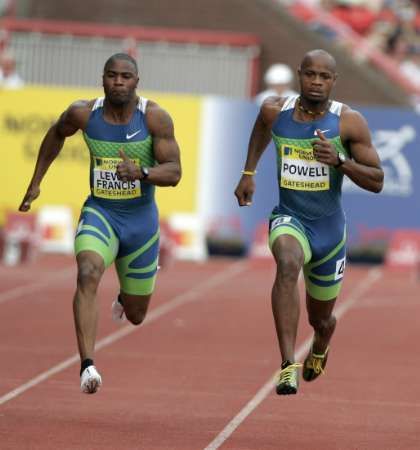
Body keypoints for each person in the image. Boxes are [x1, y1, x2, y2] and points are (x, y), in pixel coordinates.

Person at [19, 53, 182, 394]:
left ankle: (126, 295)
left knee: (136, 315)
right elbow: (55, 134)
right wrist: (36, 182)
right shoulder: (83, 112)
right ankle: (87, 366)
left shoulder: (154, 118)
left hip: (140, 222)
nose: (118, 82)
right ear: (103, 78)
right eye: (112, 76)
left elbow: (175, 173)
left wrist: (142, 172)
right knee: (88, 271)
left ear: (136, 81)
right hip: (101, 213)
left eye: (125, 76)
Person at [235, 49, 383, 395]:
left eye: (324, 76)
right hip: (290, 218)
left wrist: (341, 161)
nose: (316, 82)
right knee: (287, 264)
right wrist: (248, 172)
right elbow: (260, 130)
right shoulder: (275, 110)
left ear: (334, 81)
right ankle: (288, 364)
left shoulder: (348, 122)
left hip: (329, 231)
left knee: (322, 318)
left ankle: (320, 342)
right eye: (310, 74)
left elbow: (377, 181)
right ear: (299, 75)